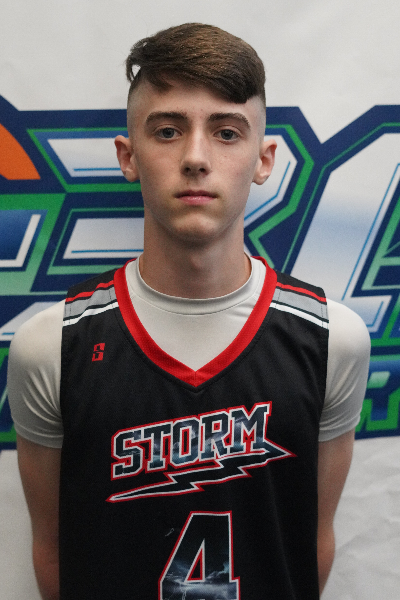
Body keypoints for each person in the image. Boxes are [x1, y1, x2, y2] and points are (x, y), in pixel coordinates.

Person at [8, 23, 371, 600]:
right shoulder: (51, 345)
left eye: (226, 133)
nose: (196, 158)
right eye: (168, 131)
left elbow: (310, 541)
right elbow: (54, 551)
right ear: (128, 156)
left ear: (264, 159)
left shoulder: (332, 339)